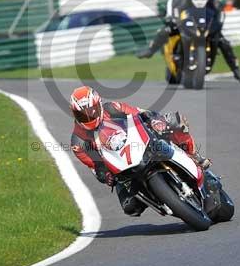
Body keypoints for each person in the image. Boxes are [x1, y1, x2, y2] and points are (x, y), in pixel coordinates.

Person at [69, 86, 210, 217]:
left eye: (91, 111)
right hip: (118, 167)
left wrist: (155, 120)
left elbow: (141, 113)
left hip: (139, 144)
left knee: (175, 121)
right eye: (82, 115)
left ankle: (193, 155)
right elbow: (95, 166)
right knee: (130, 207)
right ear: (75, 114)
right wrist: (105, 175)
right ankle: (158, 199)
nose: (89, 117)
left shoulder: (112, 108)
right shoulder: (78, 141)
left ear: (98, 104)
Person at [136, 0, 240, 83]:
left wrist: (218, 22)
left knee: (223, 41)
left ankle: (236, 70)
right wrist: (171, 18)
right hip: (184, 23)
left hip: (205, 25)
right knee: (164, 30)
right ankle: (150, 50)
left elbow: (219, 9)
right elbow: (173, 5)